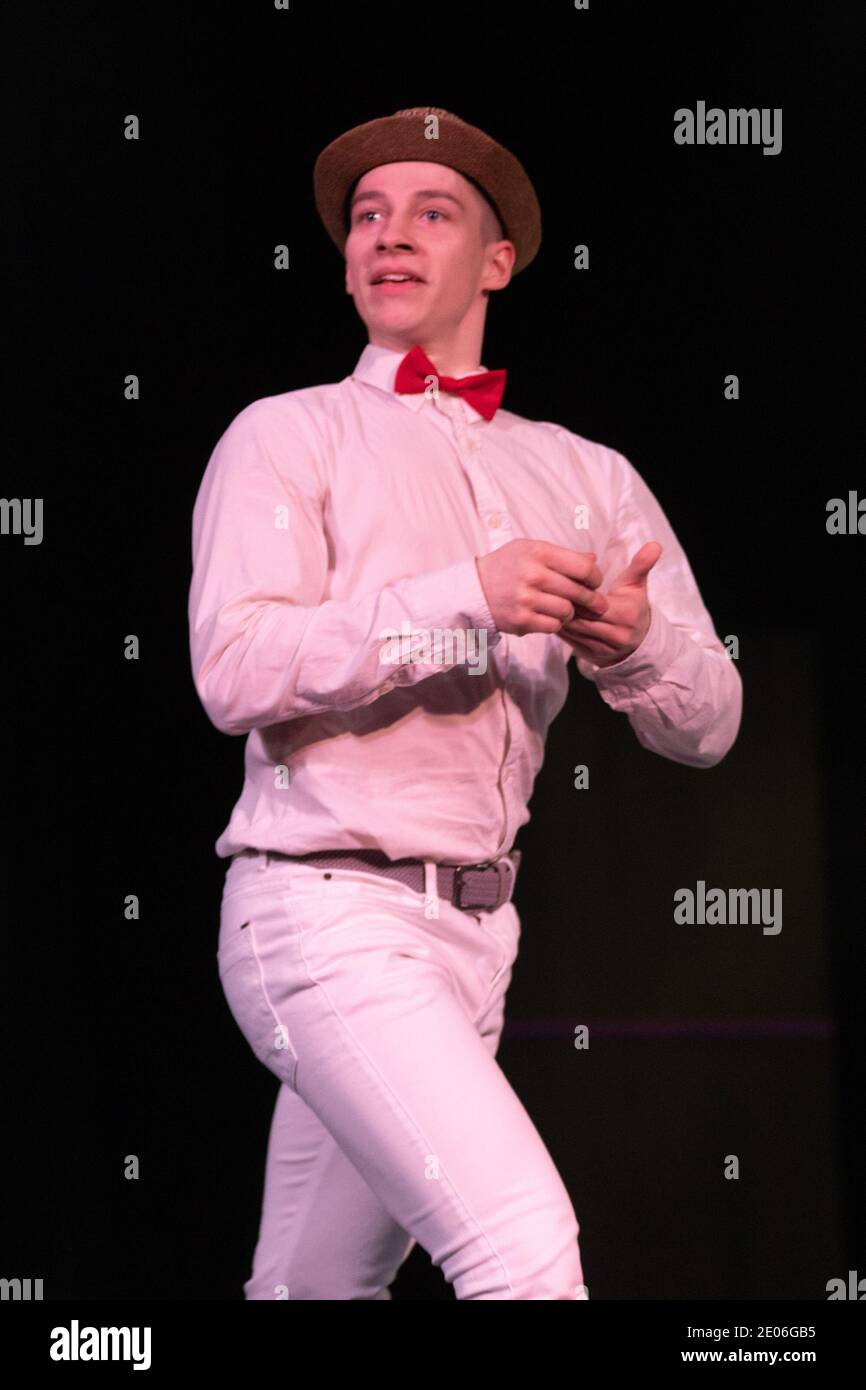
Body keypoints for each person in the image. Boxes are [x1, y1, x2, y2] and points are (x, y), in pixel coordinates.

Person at [187, 106, 742, 1300]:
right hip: (322, 914)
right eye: (367, 217)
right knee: (523, 1252)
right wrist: (461, 596)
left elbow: (709, 722)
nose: (387, 235)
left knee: (311, 1286)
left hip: (478, 939)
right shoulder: (288, 435)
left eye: (429, 213)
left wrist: (636, 644)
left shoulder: (586, 474)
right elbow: (233, 667)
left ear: (495, 263)